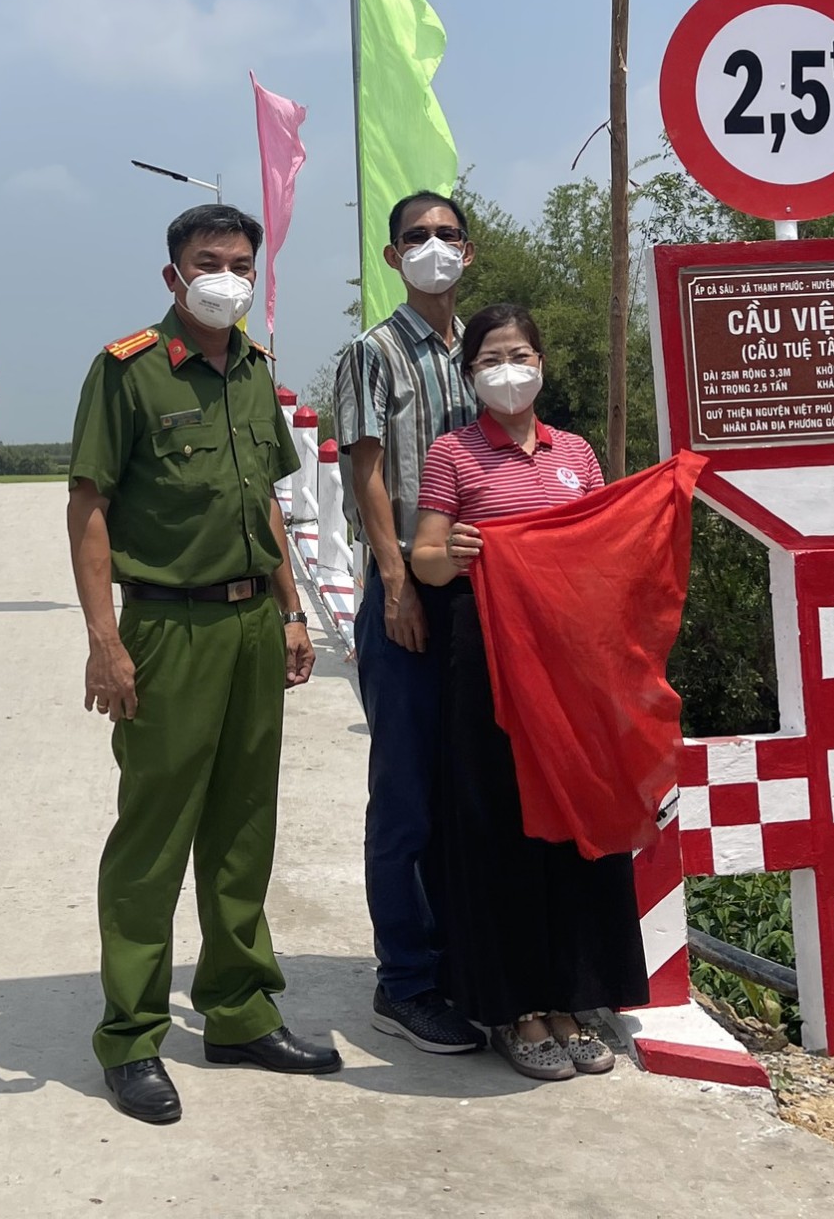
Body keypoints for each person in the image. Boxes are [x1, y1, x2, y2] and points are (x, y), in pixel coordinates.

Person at [67, 203, 342, 1125]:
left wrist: (291, 611)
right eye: (207, 261)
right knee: (153, 837)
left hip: (252, 625)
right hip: (167, 628)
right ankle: (132, 1036)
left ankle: (238, 1011)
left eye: (239, 263)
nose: (226, 277)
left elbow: (264, 500)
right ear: (173, 276)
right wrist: (105, 641)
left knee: (242, 827)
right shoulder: (128, 372)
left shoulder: (256, 371)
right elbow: (89, 507)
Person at [408, 303, 647, 1081]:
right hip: (489, 662)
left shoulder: (576, 452)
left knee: (574, 824)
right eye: (490, 359)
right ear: (469, 375)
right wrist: (455, 553)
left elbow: (608, 544)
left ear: (542, 363)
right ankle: (517, 1009)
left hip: (573, 665)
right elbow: (424, 558)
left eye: (519, 355)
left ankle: (576, 996)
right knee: (500, 825)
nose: (507, 371)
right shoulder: (453, 453)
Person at [330, 190, 486, 1058]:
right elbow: (366, 473)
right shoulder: (375, 353)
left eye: (447, 234)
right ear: (393, 256)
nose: (434, 247)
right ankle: (406, 981)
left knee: (469, 785)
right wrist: (394, 584)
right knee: (405, 795)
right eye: (417, 236)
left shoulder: (485, 350)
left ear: (469, 251)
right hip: (408, 594)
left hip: (481, 596)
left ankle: (467, 962)